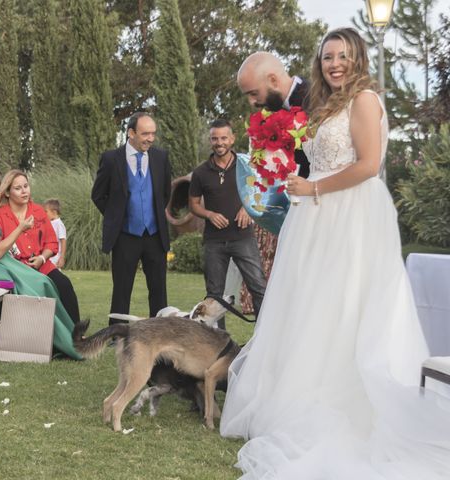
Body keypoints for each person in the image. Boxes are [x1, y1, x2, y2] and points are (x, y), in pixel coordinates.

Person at [220, 28, 450, 478]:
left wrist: (313, 187)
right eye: (327, 57)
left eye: (342, 56)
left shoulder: (364, 99)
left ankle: (337, 401)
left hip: (348, 215)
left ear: (357, 57)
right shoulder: (328, 104)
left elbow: (367, 165)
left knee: (344, 307)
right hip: (315, 216)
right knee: (311, 309)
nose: (334, 64)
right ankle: (298, 397)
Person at [0, 167, 81, 359]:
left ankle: (59, 338)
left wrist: (41, 257)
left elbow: (49, 242)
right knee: (31, 283)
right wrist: (20, 228)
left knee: (44, 281)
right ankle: (49, 341)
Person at [91, 112, 172, 317]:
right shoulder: (111, 159)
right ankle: (117, 333)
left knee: (159, 291)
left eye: (153, 133)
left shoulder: (160, 157)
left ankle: (159, 333)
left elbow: (165, 193)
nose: (150, 139)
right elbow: (98, 195)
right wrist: (116, 217)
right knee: (121, 290)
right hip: (125, 236)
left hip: (155, 235)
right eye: (145, 134)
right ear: (131, 133)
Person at [189, 119, 267, 323]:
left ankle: (261, 340)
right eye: (215, 138)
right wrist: (209, 215)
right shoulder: (200, 172)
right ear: (210, 141)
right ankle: (218, 343)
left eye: (224, 138)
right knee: (214, 295)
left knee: (259, 288)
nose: (219, 142)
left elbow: (261, 190)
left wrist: (247, 208)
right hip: (214, 241)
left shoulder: (247, 165)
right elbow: (194, 205)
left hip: (243, 238)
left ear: (232, 139)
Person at [0, 171, 81, 325]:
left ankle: (77, 333)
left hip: (41, 264)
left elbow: (51, 242)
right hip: (15, 268)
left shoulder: (39, 211)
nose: (24, 191)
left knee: (64, 284)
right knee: (37, 288)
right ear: (7, 192)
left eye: (26, 186)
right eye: (18, 188)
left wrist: (42, 258)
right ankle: (41, 335)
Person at [237, 51, 310, 178]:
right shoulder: (271, 112)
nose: (251, 102)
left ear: (273, 80)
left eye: (254, 93)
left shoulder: (316, 100)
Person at [43, 198, 67, 269]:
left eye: (46, 212)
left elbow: (63, 241)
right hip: (48, 255)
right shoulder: (49, 223)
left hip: (55, 257)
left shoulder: (59, 224)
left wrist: (62, 257)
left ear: (54, 212)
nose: (44, 214)